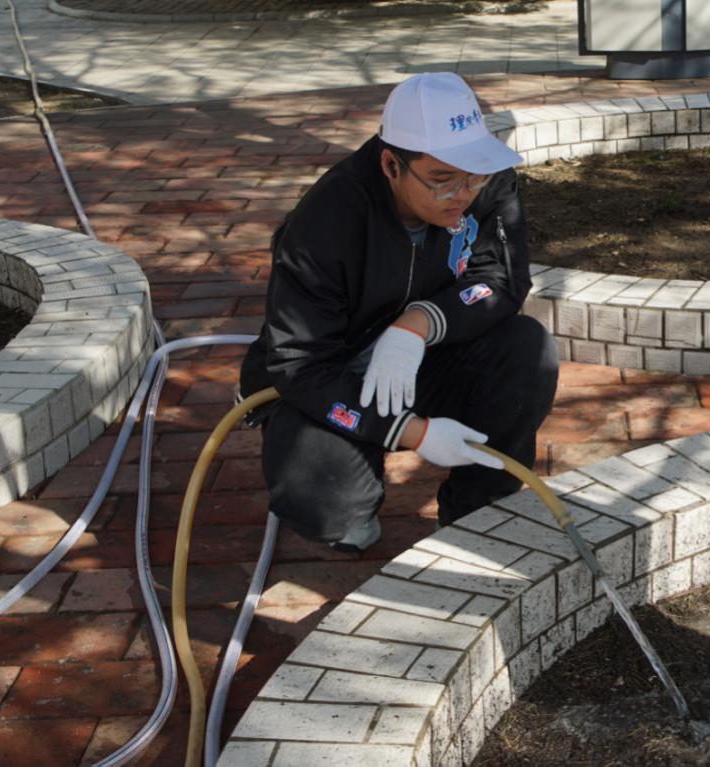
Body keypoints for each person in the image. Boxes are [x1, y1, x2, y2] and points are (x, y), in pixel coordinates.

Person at [238, 72, 559, 552]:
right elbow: (300, 363)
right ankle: (349, 490)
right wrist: (414, 433)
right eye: (442, 180)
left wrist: (417, 325)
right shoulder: (326, 221)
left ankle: (477, 512)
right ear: (392, 165)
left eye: (473, 175)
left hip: (425, 356)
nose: (463, 194)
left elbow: (501, 280)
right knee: (327, 504)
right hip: (332, 373)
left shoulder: (486, 183)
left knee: (527, 348)